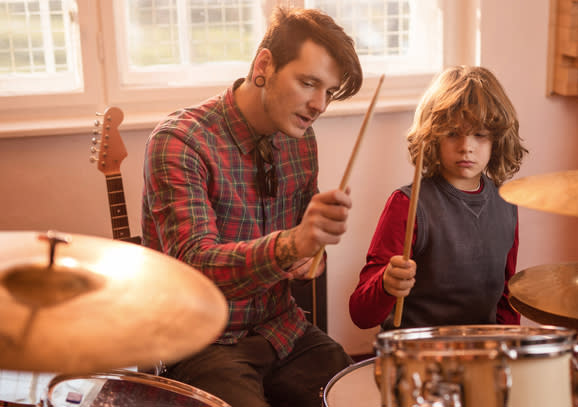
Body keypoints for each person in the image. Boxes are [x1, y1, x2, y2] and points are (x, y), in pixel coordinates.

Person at [141, 6, 363, 407]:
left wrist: (313, 255)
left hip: (283, 329)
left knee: (363, 397)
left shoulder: (300, 138)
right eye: (308, 83)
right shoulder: (180, 142)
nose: (319, 105)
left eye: (328, 91)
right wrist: (292, 246)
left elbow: (301, 247)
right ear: (264, 64)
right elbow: (195, 265)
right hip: (203, 344)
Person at [349, 65, 528, 331]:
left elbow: (506, 299)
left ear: (497, 140)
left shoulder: (506, 204)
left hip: (482, 351)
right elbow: (361, 314)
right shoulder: (407, 205)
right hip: (418, 356)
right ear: (433, 137)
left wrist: (509, 345)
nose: (466, 146)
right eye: (453, 133)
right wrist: (386, 283)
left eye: (479, 134)